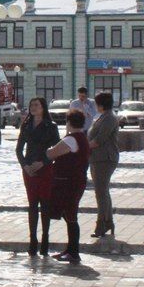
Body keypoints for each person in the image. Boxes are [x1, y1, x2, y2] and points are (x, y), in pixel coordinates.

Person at [16, 97, 60, 256]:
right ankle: (32, 240)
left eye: (36, 105)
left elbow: (57, 149)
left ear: (43, 108)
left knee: (45, 204)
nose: (33, 107)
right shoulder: (26, 125)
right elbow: (18, 149)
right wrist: (25, 166)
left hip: (45, 168)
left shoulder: (50, 126)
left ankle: (45, 239)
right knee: (32, 204)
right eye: (31, 105)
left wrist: (43, 162)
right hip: (29, 170)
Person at [46, 109, 91, 263]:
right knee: (69, 215)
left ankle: (73, 251)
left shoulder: (72, 139)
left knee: (70, 215)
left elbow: (51, 153)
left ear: (69, 122)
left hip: (69, 182)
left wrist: (46, 150)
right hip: (76, 180)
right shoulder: (82, 137)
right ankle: (70, 250)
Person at [87, 92, 119, 238]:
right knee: (103, 191)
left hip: (105, 158)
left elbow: (99, 139)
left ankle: (101, 224)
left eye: (96, 102)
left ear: (101, 104)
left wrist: (84, 147)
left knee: (101, 192)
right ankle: (108, 221)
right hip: (97, 158)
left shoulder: (109, 118)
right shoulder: (102, 117)